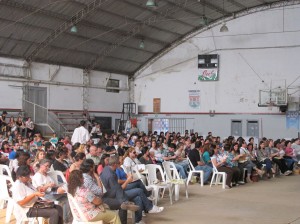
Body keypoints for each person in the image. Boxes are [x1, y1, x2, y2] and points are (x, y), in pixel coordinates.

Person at [101, 156, 163, 224]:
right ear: (114, 164)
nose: (120, 164)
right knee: (139, 192)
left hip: (116, 190)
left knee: (138, 188)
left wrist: (127, 179)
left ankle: (145, 207)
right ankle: (148, 208)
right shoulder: (110, 176)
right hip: (116, 196)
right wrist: (127, 181)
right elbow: (118, 191)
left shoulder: (107, 169)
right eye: (118, 163)